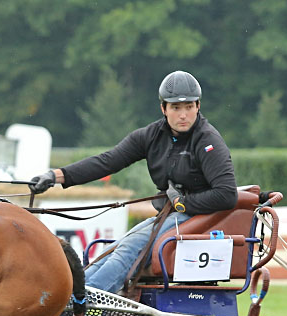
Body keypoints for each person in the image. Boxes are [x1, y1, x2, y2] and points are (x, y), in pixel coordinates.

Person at [29, 70, 237, 293]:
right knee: (112, 250)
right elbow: (107, 162)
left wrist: (183, 203)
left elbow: (227, 194)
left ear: (198, 106)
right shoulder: (151, 136)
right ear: (163, 109)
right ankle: (66, 296)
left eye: (188, 107)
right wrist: (55, 176)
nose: (183, 114)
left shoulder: (208, 141)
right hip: (171, 216)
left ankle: (81, 303)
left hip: (200, 218)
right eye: (176, 108)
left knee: (129, 248)